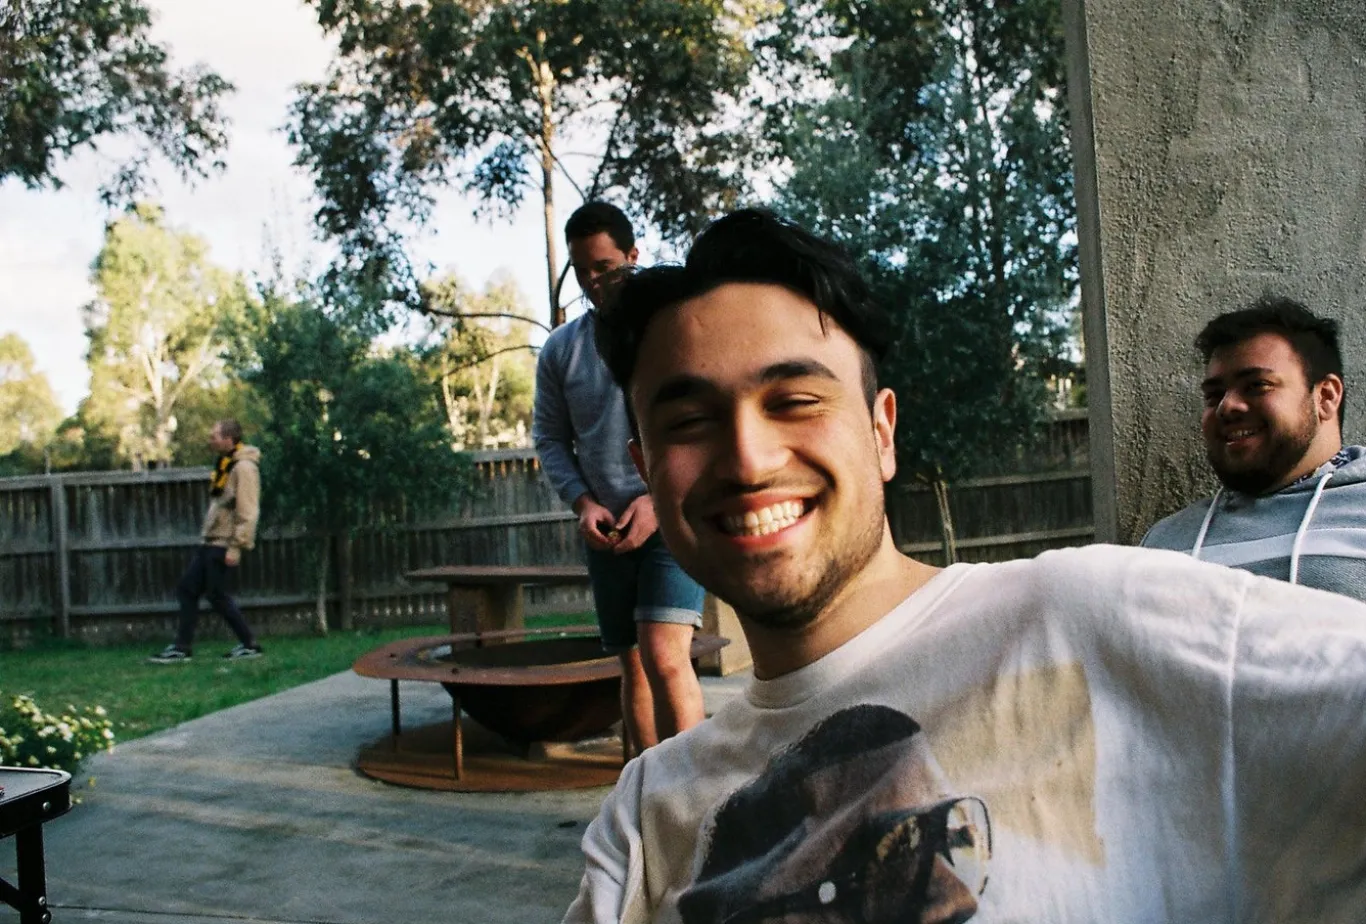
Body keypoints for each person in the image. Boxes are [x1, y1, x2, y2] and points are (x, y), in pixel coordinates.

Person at [562, 210, 1366, 922]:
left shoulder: (1090, 617)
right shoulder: (646, 812)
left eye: (795, 401)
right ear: (645, 467)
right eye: (690, 420)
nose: (747, 458)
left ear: (882, 433)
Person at [532, 201, 707, 755]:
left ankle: (697, 792)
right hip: (607, 532)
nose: (593, 281)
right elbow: (550, 439)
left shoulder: (674, 331)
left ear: (633, 256)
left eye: (604, 267)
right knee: (632, 665)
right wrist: (583, 503)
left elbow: (701, 422)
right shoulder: (561, 350)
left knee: (665, 655)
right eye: (582, 270)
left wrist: (658, 500)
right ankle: (645, 791)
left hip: (673, 518)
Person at [1141, 298, 1366, 600]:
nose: (1226, 406)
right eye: (1214, 395)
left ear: (1325, 397)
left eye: (1257, 385)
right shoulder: (1164, 543)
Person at [149, 419, 264, 663]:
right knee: (188, 589)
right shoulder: (225, 464)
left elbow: (248, 510)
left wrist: (236, 546)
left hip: (224, 542)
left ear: (228, 439)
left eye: (214, 436)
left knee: (216, 594)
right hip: (210, 541)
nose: (210, 440)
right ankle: (182, 647)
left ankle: (249, 644)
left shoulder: (244, 468)